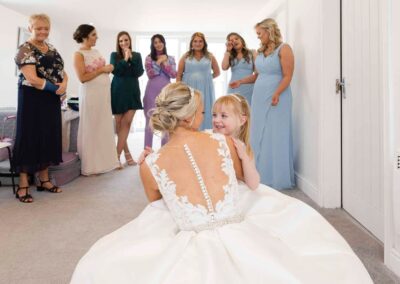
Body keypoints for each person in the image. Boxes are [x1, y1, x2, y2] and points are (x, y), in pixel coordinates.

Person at [71, 82, 372, 284]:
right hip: (241, 231)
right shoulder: (222, 142)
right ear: (189, 117)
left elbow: (158, 205)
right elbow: (243, 181)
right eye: (202, 111)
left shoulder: (150, 166)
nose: (206, 116)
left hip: (190, 242)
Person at [231, 18, 295, 189]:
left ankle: (276, 176)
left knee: (275, 132)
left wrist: (277, 93)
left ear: (269, 31)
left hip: (278, 96)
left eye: (260, 33)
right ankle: (258, 172)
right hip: (259, 96)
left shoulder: (285, 49)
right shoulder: (259, 52)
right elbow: (257, 75)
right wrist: (241, 82)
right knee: (258, 132)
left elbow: (288, 75)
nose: (258, 37)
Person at [13, 13, 66, 203]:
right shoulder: (24, 49)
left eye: (46, 28)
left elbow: (62, 71)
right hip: (32, 99)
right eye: (38, 28)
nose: (43, 31)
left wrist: (65, 84)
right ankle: (23, 184)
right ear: (30, 28)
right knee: (29, 136)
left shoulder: (51, 48)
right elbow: (33, 79)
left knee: (48, 135)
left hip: (50, 99)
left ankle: (44, 180)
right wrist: (57, 89)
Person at [73, 24, 119, 175]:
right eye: (93, 35)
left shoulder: (96, 51)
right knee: (92, 126)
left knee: (103, 126)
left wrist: (109, 68)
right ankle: (91, 166)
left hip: (103, 94)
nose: (96, 37)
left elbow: (102, 70)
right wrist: (102, 70)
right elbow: (82, 78)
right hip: (91, 94)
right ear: (85, 36)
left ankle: (106, 162)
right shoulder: (78, 54)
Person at [212, 94, 259, 190]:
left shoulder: (241, 147)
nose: (216, 120)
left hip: (231, 191)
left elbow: (253, 184)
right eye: (214, 115)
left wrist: (244, 158)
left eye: (223, 116)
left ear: (242, 120)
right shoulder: (209, 138)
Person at [110, 31, 144, 166]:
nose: (123, 43)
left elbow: (139, 72)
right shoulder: (114, 55)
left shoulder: (137, 55)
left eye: (126, 40)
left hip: (132, 91)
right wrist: (124, 59)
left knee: (127, 123)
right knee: (119, 124)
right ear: (118, 43)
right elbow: (116, 71)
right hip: (117, 91)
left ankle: (116, 156)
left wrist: (130, 59)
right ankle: (128, 154)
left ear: (130, 41)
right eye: (121, 41)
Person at [177, 32, 220, 130]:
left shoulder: (210, 56)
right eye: (195, 41)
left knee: (205, 108)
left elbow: (217, 72)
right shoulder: (186, 56)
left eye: (200, 41)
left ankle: (205, 132)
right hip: (189, 87)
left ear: (204, 43)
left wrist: (206, 79)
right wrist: (178, 90)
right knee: (190, 109)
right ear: (191, 43)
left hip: (205, 89)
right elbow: (179, 74)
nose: (198, 43)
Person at [143, 34, 176, 148]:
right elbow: (150, 74)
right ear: (152, 45)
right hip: (152, 90)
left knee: (166, 120)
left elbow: (173, 74)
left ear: (164, 43)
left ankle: (164, 151)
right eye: (155, 42)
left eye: (160, 41)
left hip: (167, 91)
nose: (158, 44)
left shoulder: (171, 58)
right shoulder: (148, 58)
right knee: (150, 120)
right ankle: (147, 151)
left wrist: (165, 62)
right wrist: (158, 62)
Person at [221, 33, 256, 104]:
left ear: (242, 41)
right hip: (233, 87)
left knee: (247, 111)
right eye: (231, 41)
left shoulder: (252, 52)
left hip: (249, 87)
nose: (234, 41)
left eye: (236, 39)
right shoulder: (230, 55)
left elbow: (257, 72)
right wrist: (227, 51)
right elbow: (224, 67)